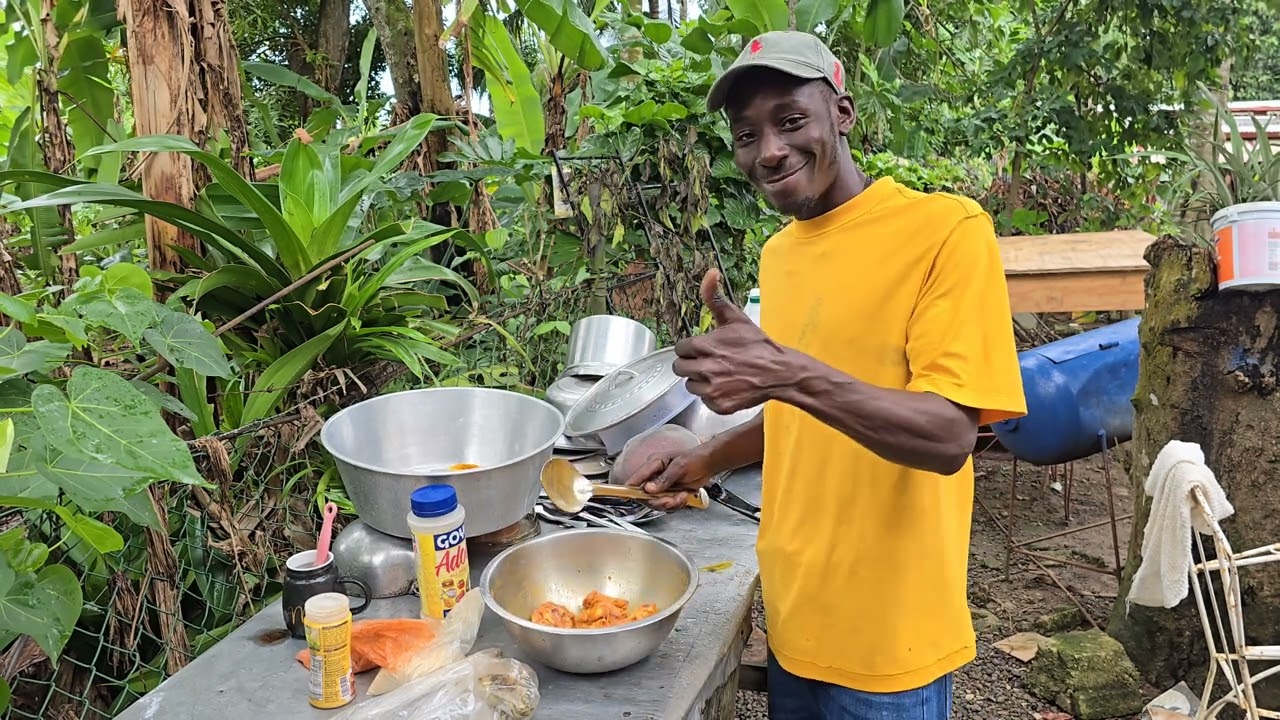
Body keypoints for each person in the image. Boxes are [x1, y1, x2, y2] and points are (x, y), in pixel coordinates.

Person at [622, 30, 1029, 720]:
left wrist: (785, 374)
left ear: (841, 113)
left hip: (888, 644)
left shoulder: (944, 230)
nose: (770, 149)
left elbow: (948, 436)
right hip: (795, 616)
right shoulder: (782, 255)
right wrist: (705, 458)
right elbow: (801, 412)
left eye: (790, 120)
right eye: (746, 134)